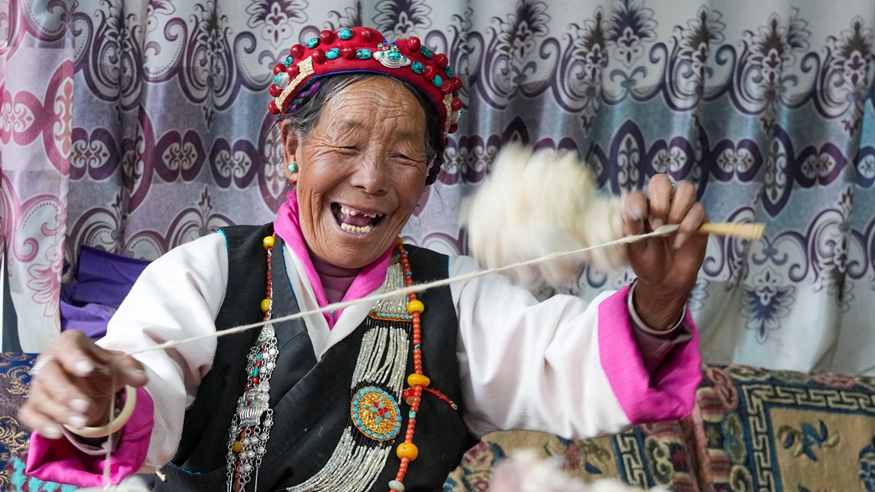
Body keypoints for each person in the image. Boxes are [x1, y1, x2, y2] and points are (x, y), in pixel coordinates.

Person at [19, 26, 707, 492]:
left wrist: (657, 301)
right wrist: (97, 398)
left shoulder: (457, 297)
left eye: (403, 156)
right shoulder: (207, 272)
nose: (372, 179)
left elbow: (568, 364)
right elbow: (145, 383)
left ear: (426, 180)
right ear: (292, 151)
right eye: (345, 145)